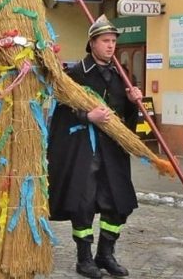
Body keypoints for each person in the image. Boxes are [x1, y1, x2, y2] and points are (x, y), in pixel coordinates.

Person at [48, 17, 142, 279]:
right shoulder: (75, 76)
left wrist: (134, 101)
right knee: (84, 204)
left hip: (114, 150)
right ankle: (84, 259)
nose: (111, 46)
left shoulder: (121, 75)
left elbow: (127, 120)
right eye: (105, 41)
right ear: (92, 43)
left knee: (118, 204)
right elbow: (61, 114)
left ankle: (106, 254)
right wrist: (87, 117)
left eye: (113, 41)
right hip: (84, 150)